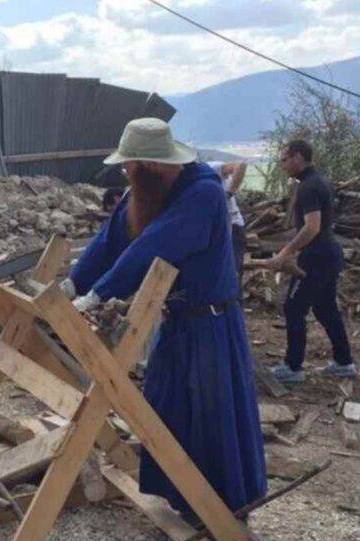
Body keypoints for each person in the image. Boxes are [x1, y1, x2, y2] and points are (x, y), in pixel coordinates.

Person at [65, 118, 266, 519]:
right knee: (167, 408)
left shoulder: (202, 193)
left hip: (209, 327)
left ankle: (223, 515)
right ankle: (183, 499)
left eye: (128, 166)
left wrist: (96, 296)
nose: (125, 173)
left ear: (148, 166)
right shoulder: (147, 193)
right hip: (176, 323)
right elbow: (110, 240)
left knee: (211, 418)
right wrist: (72, 287)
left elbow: (153, 249)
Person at [262, 139, 356, 383]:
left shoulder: (308, 187)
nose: (282, 165)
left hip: (317, 258)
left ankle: (293, 368)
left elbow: (312, 227)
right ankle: (344, 362)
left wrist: (286, 252)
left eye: (284, 159)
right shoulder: (319, 181)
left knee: (294, 307)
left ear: (297, 157)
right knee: (325, 309)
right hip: (327, 254)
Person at [206, 161, 248, 290]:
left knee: (233, 272)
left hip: (233, 226)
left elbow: (241, 165)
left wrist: (229, 193)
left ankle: (235, 305)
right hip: (215, 230)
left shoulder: (209, 169)